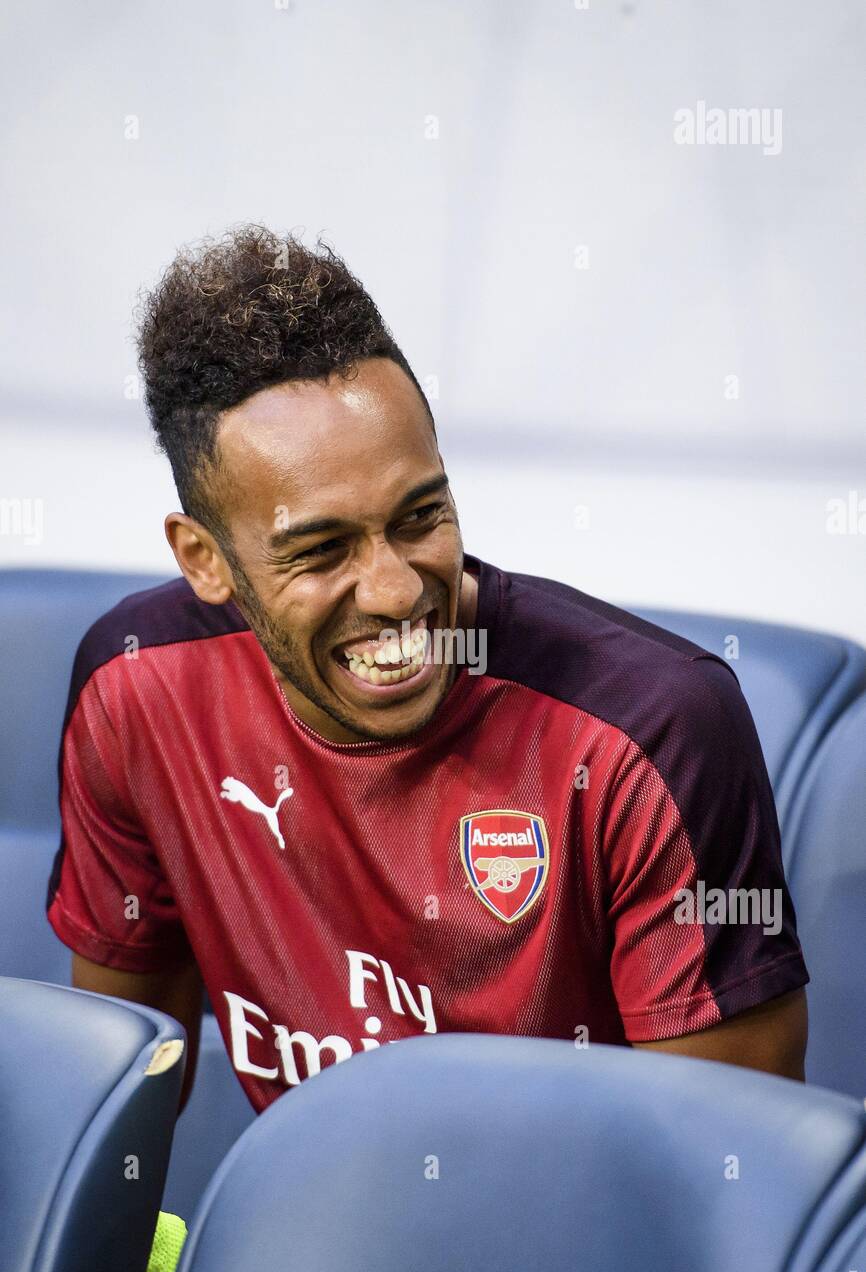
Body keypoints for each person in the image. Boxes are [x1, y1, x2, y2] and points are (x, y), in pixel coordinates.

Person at [47, 225, 808, 1116]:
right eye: (321, 548)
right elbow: (108, 1127)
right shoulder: (134, 689)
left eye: (420, 517)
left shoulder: (658, 730)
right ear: (203, 558)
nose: (397, 590)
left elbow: (726, 1185)